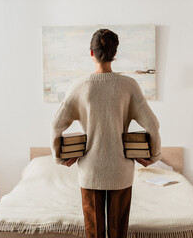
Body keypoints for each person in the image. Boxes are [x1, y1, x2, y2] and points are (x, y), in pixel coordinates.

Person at [50, 28, 162, 238]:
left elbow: (55, 125)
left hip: (90, 173)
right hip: (121, 171)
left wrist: (59, 157)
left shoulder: (80, 86)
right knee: (118, 233)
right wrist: (154, 156)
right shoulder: (129, 85)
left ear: (91, 53)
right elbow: (153, 125)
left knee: (94, 234)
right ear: (114, 53)